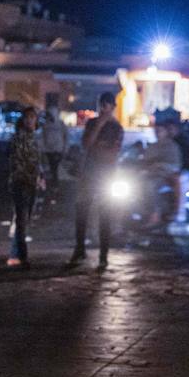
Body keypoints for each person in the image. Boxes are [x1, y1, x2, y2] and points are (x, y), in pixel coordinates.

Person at [69, 91, 124, 269]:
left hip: (106, 175)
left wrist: (98, 146)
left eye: (107, 106)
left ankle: (103, 255)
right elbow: (86, 144)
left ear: (113, 107)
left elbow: (112, 152)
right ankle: (79, 249)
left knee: (105, 215)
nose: (104, 109)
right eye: (102, 105)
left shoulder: (117, 128)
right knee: (82, 211)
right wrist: (98, 127)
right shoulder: (92, 123)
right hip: (90, 173)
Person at [7, 107, 41, 266]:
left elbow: (37, 160)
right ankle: (22, 254)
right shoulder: (19, 138)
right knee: (21, 219)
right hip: (21, 182)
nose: (30, 120)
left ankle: (17, 252)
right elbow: (17, 161)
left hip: (31, 182)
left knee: (24, 219)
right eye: (27, 117)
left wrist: (39, 176)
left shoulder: (34, 137)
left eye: (32, 117)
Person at [40, 104, 68, 191]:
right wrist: (43, 149)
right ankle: (50, 186)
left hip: (58, 150)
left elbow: (66, 137)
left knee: (55, 168)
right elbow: (42, 137)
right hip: (48, 151)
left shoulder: (61, 124)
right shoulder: (45, 125)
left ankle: (55, 186)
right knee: (49, 169)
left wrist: (65, 149)